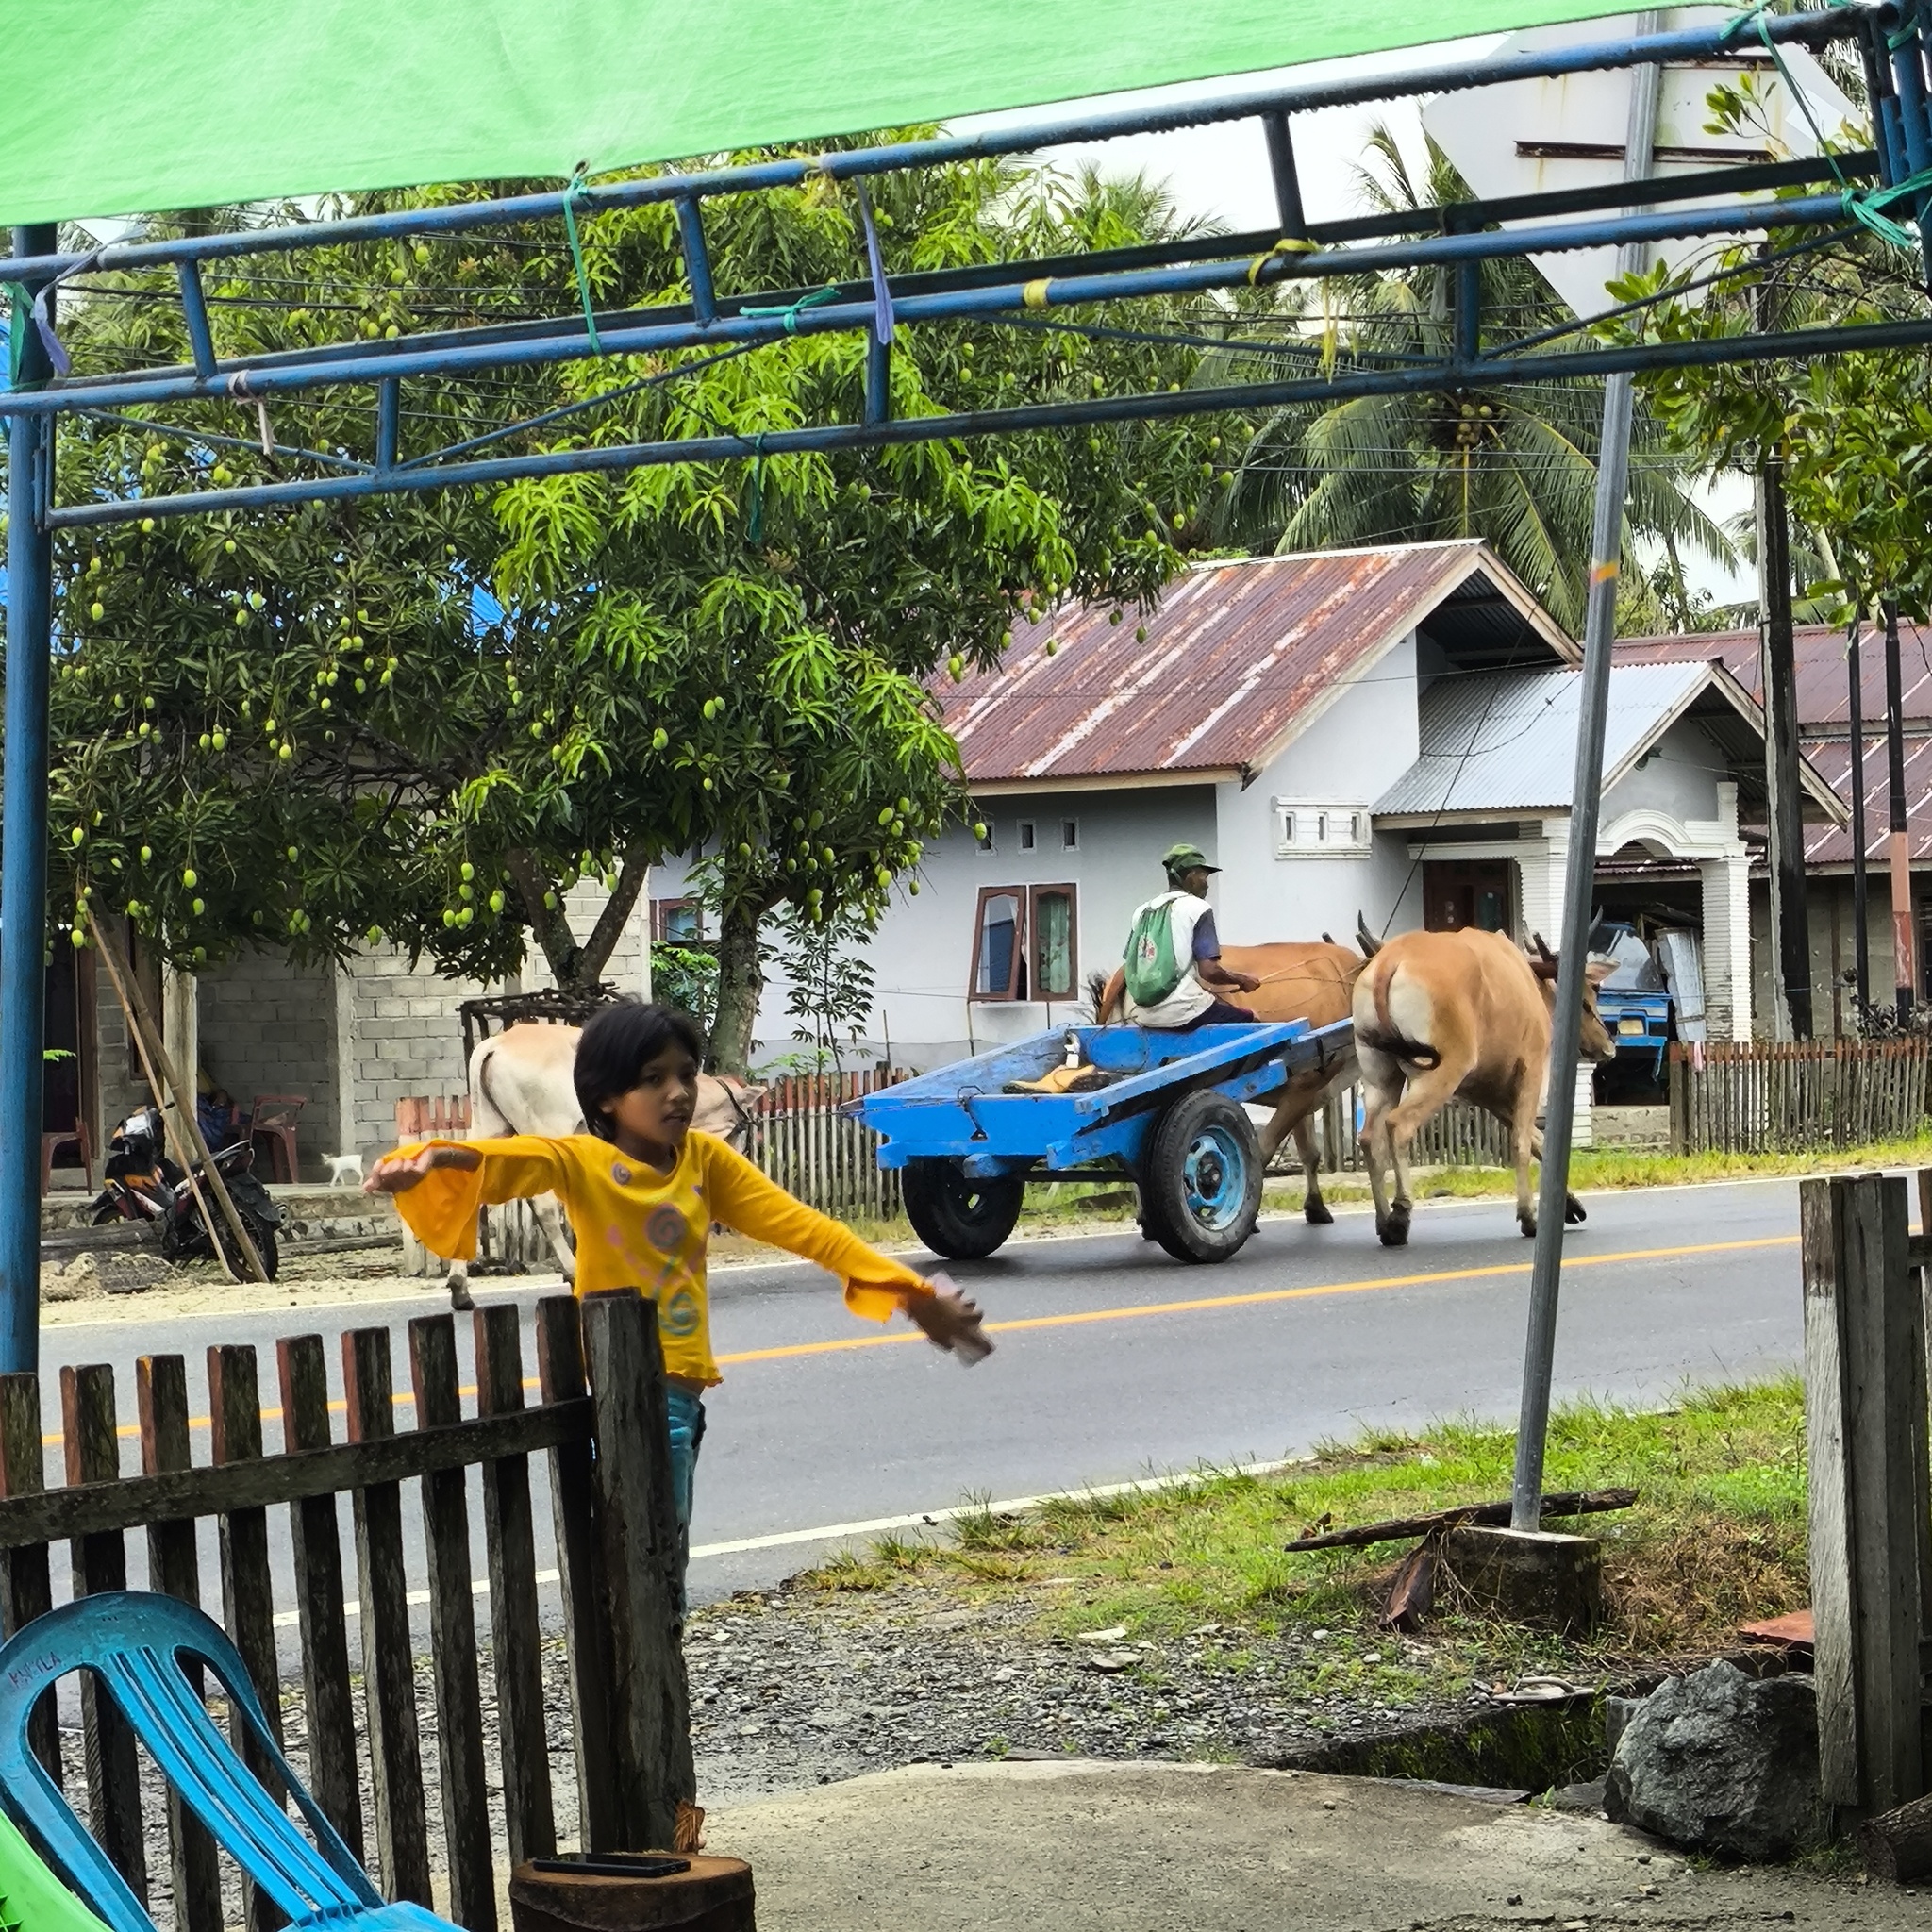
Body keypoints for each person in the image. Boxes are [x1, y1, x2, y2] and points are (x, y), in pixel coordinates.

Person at [365, 999, 991, 1585]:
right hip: (619, 1397)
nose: (678, 1093)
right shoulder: (580, 1161)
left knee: (651, 1560)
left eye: (686, 1075)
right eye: (653, 1079)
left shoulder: (706, 1163)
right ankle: (642, 1676)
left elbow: (807, 1228)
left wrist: (909, 1292)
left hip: (680, 1400)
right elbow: (501, 1161)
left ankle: (644, 1674)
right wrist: (430, 1158)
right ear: (606, 1098)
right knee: (643, 1563)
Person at [1121, 842, 1261, 1028]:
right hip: (1184, 1009)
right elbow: (1209, 971)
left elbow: (1132, 965)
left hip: (1144, 1014)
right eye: (1203, 875)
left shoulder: (1141, 911)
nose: (1207, 883)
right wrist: (1242, 980)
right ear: (1191, 876)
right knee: (1254, 1021)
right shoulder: (1198, 908)